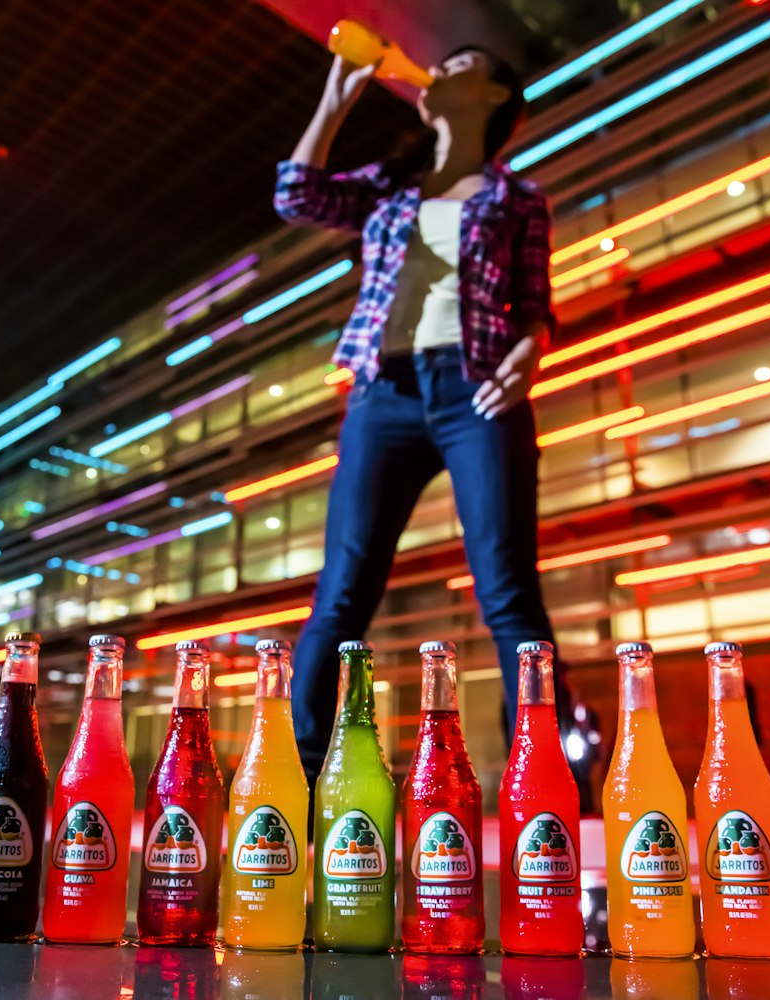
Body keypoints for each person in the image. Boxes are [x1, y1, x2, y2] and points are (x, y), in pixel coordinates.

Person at [274, 45, 569, 797]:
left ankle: (545, 782)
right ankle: (298, 780)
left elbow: (537, 309)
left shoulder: (516, 197)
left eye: (462, 63)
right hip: (384, 395)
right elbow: (297, 195)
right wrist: (335, 101)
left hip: (476, 389)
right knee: (343, 589)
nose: (437, 70)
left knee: (506, 589)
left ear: (496, 90)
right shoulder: (390, 188)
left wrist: (530, 353)